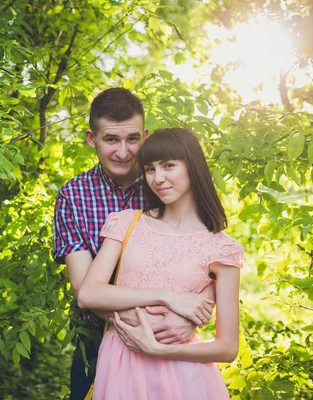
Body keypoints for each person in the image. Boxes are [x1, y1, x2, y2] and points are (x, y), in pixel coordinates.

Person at [53, 89, 215, 400]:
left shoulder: (166, 183)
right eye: (111, 140)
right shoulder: (73, 196)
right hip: (98, 339)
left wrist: (189, 316)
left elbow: (212, 258)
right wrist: (135, 325)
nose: (124, 152)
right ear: (91, 138)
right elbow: (81, 286)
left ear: (146, 135)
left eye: (133, 139)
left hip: (174, 335)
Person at [77, 127, 244, 399]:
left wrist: (159, 350)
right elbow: (88, 294)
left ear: (193, 167)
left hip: (185, 376)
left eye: (169, 166)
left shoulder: (222, 249)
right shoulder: (126, 222)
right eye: (150, 169)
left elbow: (227, 348)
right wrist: (169, 298)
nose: (158, 178)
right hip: (121, 367)